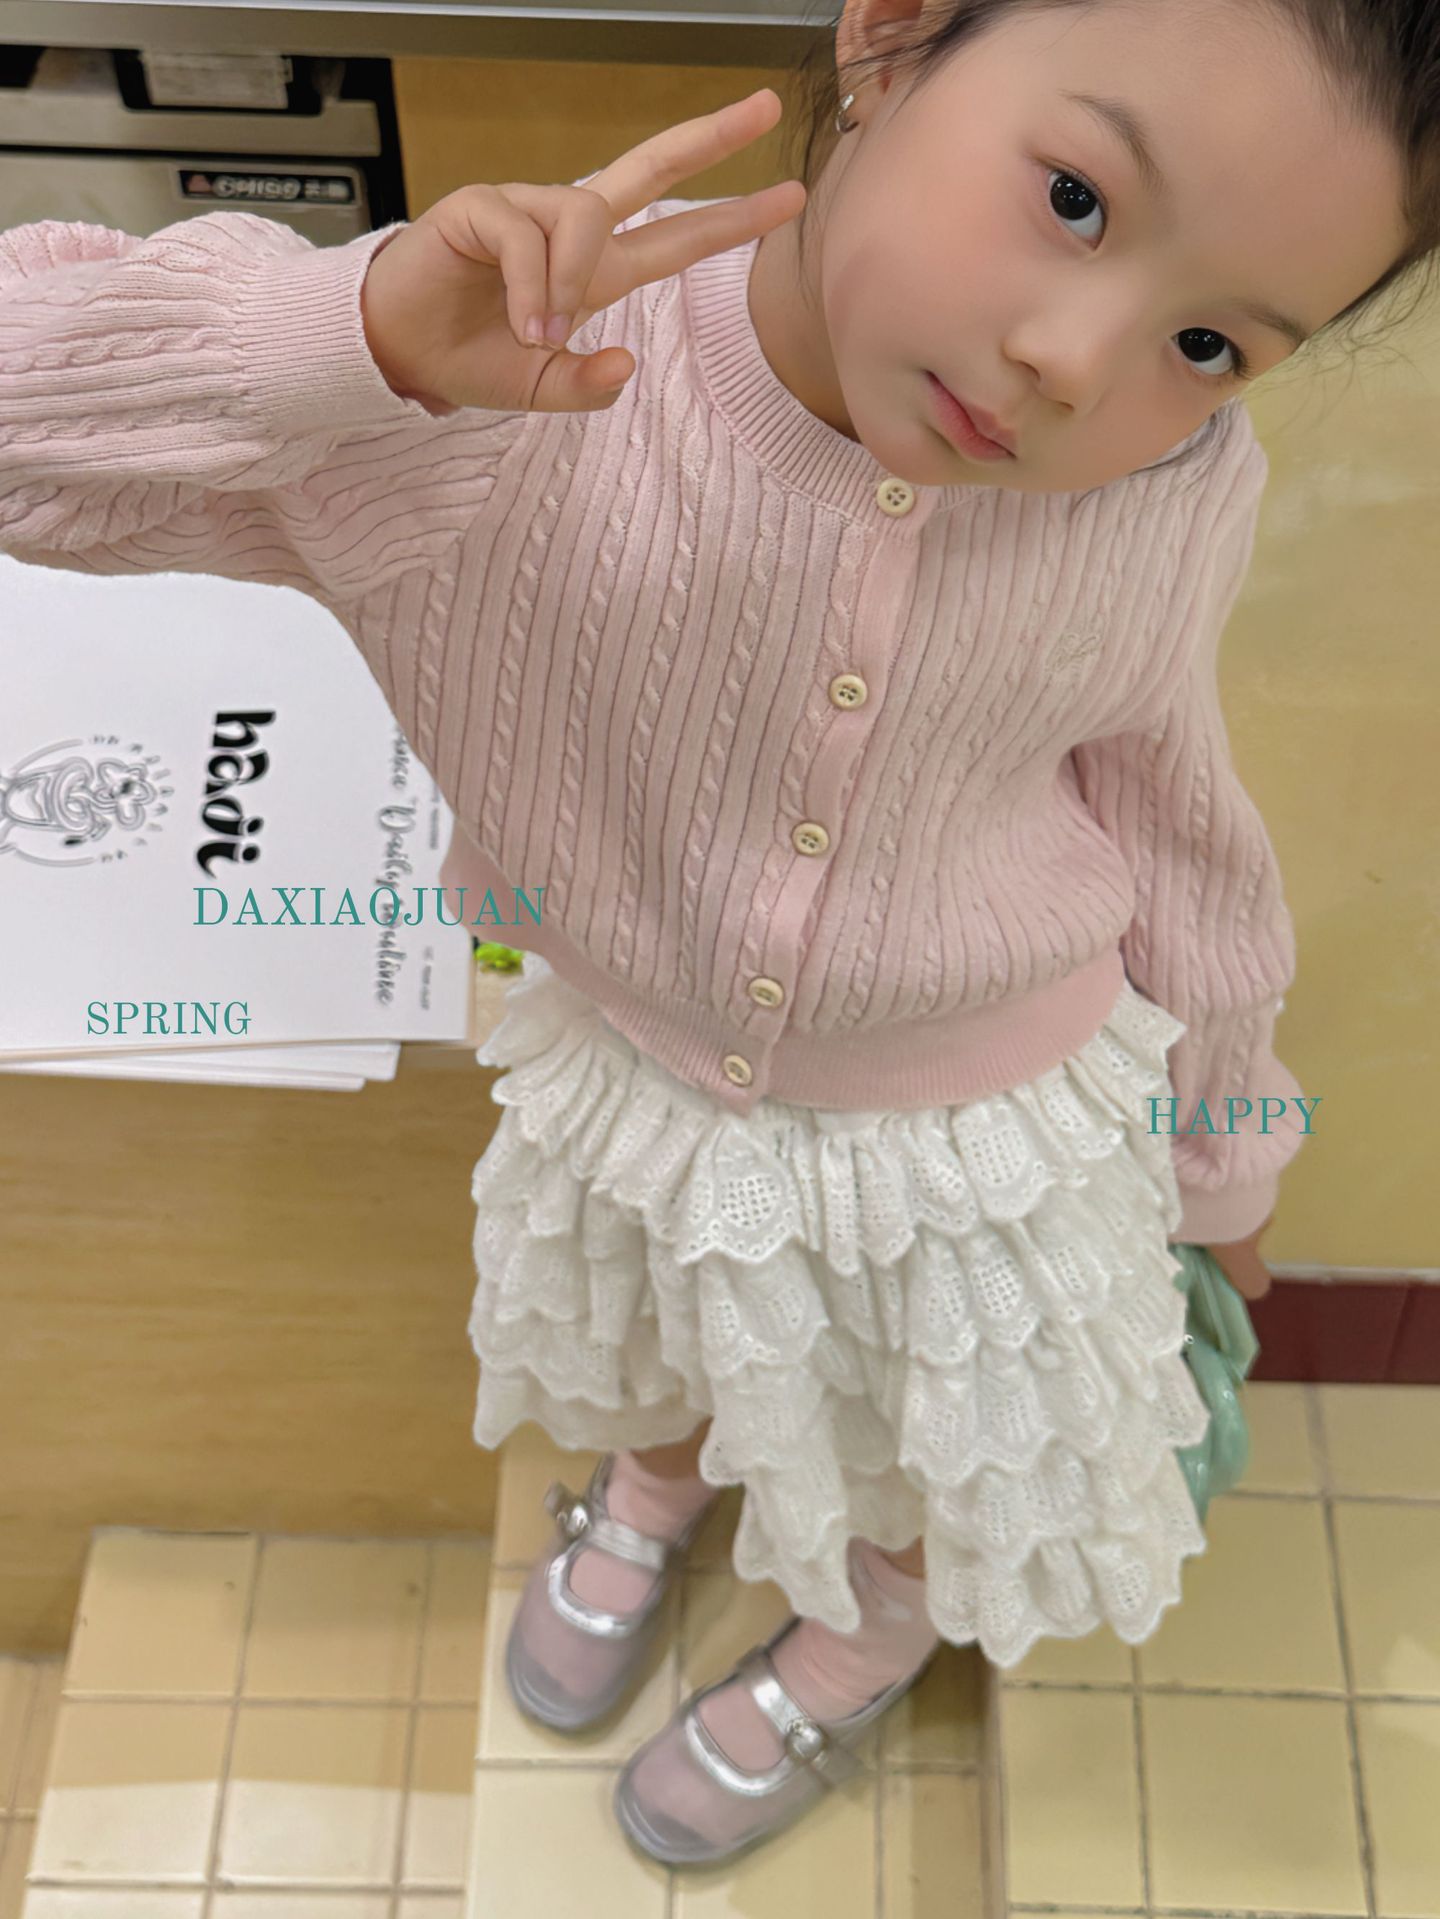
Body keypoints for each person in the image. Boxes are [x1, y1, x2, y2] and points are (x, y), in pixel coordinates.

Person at [0, 0, 1426, 1871]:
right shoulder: (513, 389)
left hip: (986, 1139)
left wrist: (1225, 1153)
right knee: (665, 1330)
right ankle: (653, 1488)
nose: (1075, 366)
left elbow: (1176, 817)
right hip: (640, 1064)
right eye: (1076, 197)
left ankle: (864, 1637)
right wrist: (350, 341)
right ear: (893, 43)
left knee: (921, 1442)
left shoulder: (1169, 489)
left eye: (1211, 343)